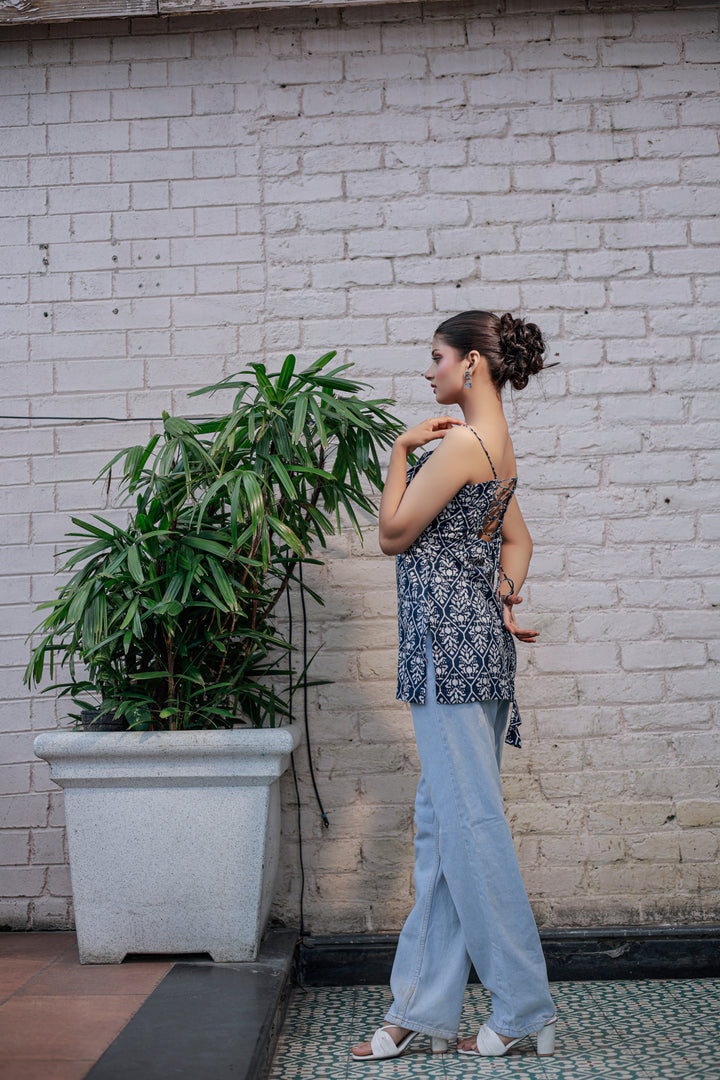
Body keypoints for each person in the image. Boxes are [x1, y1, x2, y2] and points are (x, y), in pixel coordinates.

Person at [351, 310, 557, 1062]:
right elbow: (518, 540)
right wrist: (504, 600)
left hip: (450, 655)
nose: (427, 371)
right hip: (474, 651)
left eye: (436, 357)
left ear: (471, 364)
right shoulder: (497, 448)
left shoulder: (462, 443)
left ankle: (525, 1007)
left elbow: (394, 532)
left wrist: (400, 449)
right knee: (445, 833)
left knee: (469, 834)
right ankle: (421, 1010)